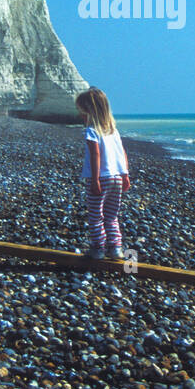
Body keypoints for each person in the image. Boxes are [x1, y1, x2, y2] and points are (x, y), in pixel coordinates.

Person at [75, 87, 131, 260]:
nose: (81, 116)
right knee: (112, 215)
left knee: (95, 216)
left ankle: (98, 249)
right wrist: (125, 174)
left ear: (90, 112)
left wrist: (95, 179)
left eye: (82, 112)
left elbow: (95, 154)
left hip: (101, 178)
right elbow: (122, 152)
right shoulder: (113, 131)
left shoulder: (92, 131)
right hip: (117, 178)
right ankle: (115, 249)